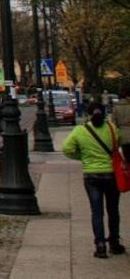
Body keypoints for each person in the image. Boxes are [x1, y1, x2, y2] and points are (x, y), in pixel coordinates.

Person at [62, 101, 124, 258]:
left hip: (91, 176)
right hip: (111, 175)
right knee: (113, 210)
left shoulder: (80, 130)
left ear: (88, 114)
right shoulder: (111, 128)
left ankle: (100, 245)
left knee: (96, 212)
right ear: (104, 113)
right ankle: (114, 242)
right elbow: (119, 144)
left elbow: (67, 149)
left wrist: (83, 157)